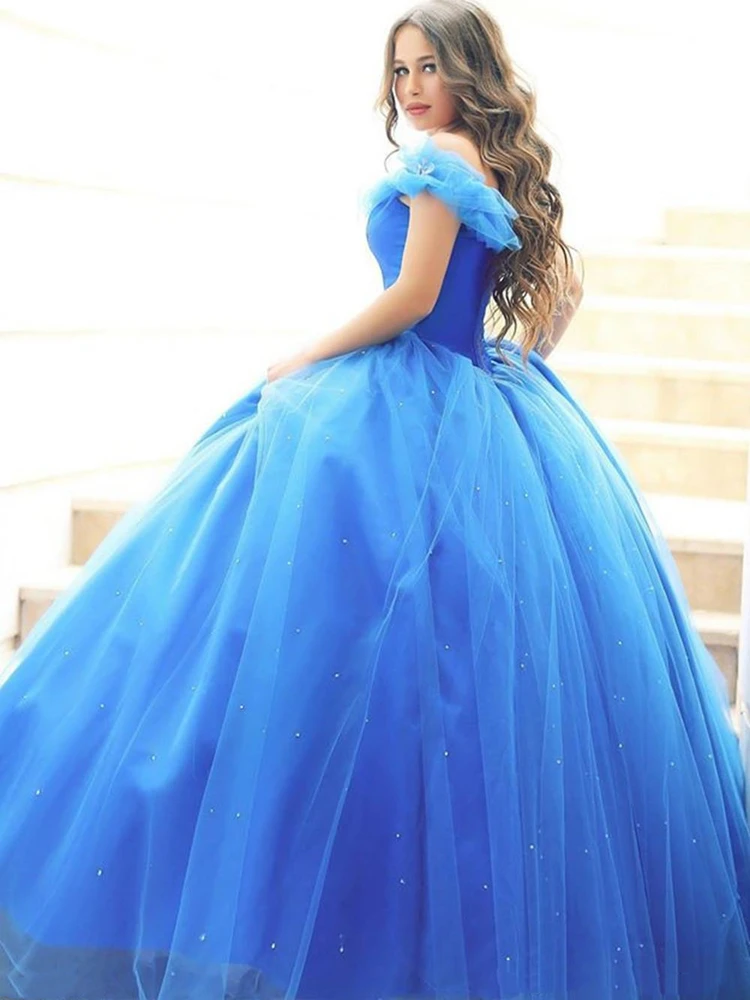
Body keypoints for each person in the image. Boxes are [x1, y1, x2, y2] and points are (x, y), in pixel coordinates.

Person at [0, 1, 748, 998]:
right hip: (471, 387)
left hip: (412, 393)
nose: (412, 88)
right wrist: (512, 361)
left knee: (340, 637)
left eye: (429, 66)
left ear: (468, 70)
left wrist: (305, 356)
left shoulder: (439, 159)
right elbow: (563, 289)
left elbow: (412, 295)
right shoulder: (495, 163)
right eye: (401, 70)